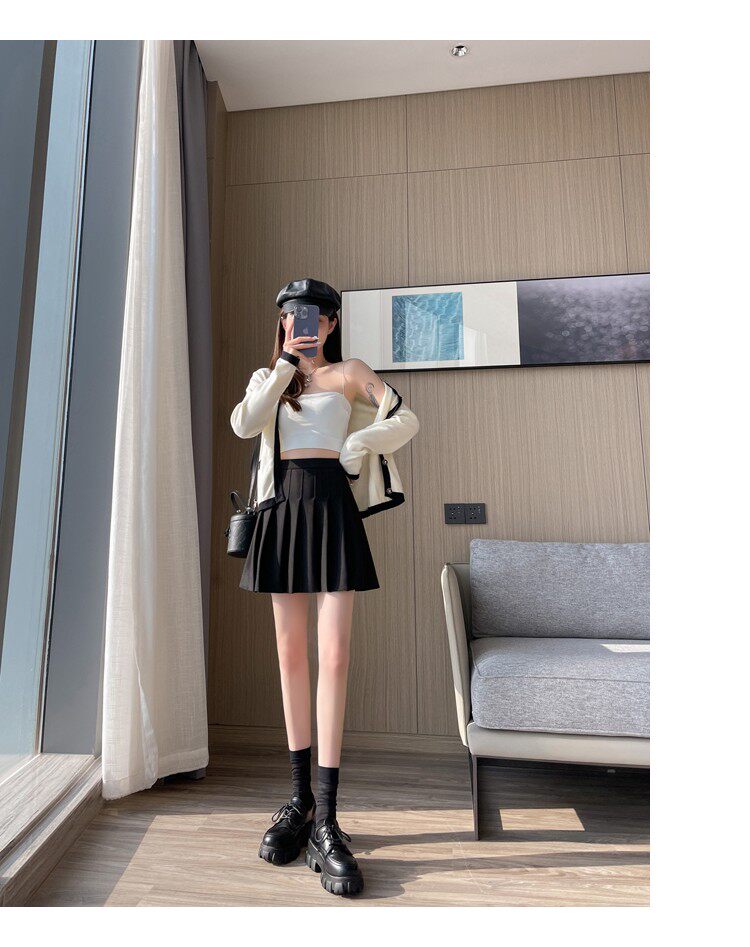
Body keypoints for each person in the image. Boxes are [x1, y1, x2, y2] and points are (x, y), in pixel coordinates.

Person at [229, 278, 419, 897]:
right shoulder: (270, 377)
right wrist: (286, 364)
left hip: (332, 509)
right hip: (281, 512)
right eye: (290, 314)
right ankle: (299, 801)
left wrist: (359, 442)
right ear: (282, 322)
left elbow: (406, 417)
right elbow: (244, 425)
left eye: (311, 314)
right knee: (290, 658)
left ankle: (329, 819)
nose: (301, 322)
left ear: (331, 322)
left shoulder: (351, 373)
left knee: (334, 658)